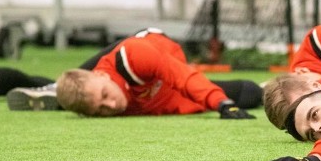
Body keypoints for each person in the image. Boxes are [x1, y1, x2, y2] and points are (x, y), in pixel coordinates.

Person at [38, 29, 261, 117]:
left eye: (106, 95)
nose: (113, 106)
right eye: (101, 109)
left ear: (102, 76)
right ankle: (48, 89)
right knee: (249, 93)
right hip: (164, 93)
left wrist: (222, 104)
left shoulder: (133, 57)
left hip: (157, 49)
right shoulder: (97, 100)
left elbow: (182, 76)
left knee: (249, 93)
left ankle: (51, 89)